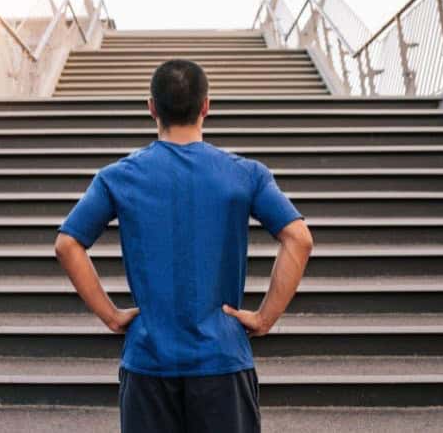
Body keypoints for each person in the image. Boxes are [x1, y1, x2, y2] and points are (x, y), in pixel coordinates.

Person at [54, 59, 313, 433]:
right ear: (206, 106)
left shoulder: (118, 176)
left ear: (152, 108)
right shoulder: (245, 173)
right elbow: (299, 239)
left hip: (148, 360)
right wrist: (264, 318)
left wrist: (111, 316)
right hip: (222, 360)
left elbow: (67, 244)